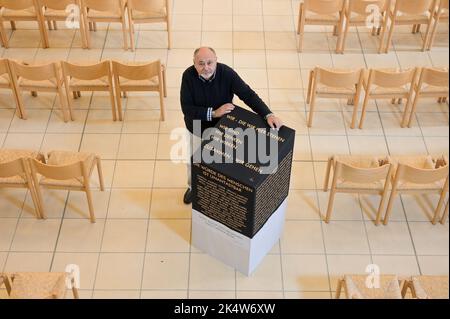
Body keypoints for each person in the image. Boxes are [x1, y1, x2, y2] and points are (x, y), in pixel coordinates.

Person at [180, 47, 283, 204]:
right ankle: (193, 187)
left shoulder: (226, 73)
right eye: (201, 63)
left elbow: (247, 94)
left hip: (223, 128)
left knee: (222, 161)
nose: (206, 67)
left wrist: (268, 114)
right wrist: (214, 113)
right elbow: (187, 109)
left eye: (209, 62)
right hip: (196, 128)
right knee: (193, 161)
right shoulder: (188, 76)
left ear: (216, 60)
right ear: (194, 63)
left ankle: (219, 187)